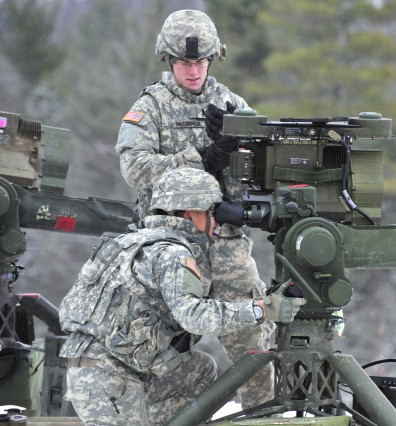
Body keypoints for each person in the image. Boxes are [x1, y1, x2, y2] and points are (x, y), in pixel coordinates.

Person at [114, 9, 274, 409]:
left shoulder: (230, 103)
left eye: (201, 61)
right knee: (155, 346)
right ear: (170, 60)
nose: (193, 70)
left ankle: (265, 415)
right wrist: (200, 157)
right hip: (169, 246)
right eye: (186, 62)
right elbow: (135, 169)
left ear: (212, 59)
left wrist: (238, 149)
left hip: (224, 243)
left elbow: (263, 173)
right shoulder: (151, 106)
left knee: (253, 340)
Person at [58, 168, 306, 425]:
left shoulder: (131, 241)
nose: (216, 222)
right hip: (109, 378)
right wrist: (260, 310)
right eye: (211, 213)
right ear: (190, 213)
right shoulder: (173, 253)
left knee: (199, 369)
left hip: (104, 368)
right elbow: (194, 317)